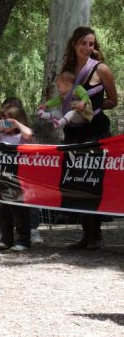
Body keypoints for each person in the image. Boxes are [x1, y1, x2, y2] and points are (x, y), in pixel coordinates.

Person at [58, 26, 118, 250]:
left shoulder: (101, 69)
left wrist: (90, 105)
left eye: (91, 44)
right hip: (73, 133)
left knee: (94, 182)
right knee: (77, 183)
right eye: (83, 43)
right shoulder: (67, 69)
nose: (87, 47)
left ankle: (96, 236)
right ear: (74, 44)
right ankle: (86, 234)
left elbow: (113, 101)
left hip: (96, 133)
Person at [0, 97, 34, 252]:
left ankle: (24, 240)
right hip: (3, 178)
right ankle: (6, 238)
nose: (4, 122)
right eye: (2, 119)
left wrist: (17, 124)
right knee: (3, 209)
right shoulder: (2, 136)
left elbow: (29, 133)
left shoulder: (20, 136)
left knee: (19, 210)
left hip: (19, 179)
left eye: (7, 120)